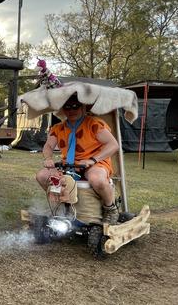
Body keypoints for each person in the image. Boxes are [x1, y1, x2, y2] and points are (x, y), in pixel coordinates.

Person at [35, 94, 121, 224]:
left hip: (95, 163)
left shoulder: (94, 123)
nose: (71, 110)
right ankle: (61, 206)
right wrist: (48, 158)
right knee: (42, 175)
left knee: (96, 179)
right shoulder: (58, 128)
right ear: (63, 110)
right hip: (68, 165)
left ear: (83, 108)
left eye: (75, 106)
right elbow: (48, 145)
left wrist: (92, 160)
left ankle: (110, 208)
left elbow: (113, 145)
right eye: (67, 107)